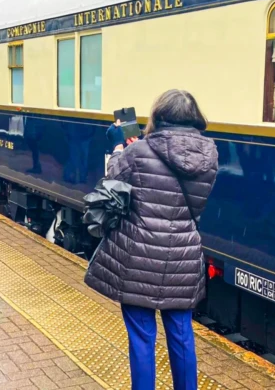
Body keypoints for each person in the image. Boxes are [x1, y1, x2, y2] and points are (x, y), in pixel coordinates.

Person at [84, 89, 218, 390]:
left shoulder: (138, 151)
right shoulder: (209, 155)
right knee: (182, 333)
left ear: (158, 116)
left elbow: (111, 184)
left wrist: (119, 147)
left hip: (139, 256)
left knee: (142, 337)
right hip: (183, 255)